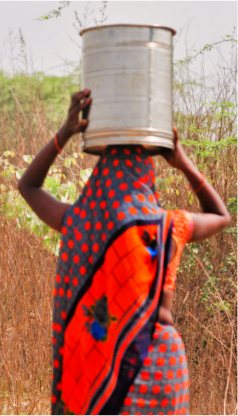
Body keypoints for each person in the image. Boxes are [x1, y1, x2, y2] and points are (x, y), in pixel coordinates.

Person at [17, 89, 231, 415]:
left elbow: (28, 186)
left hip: (93, 369)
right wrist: (182, 161)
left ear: (98, 181)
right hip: (159, 366)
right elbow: (221, 216)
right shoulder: (168, 226)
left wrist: (65, 132)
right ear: (147, 179)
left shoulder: (78, 222)